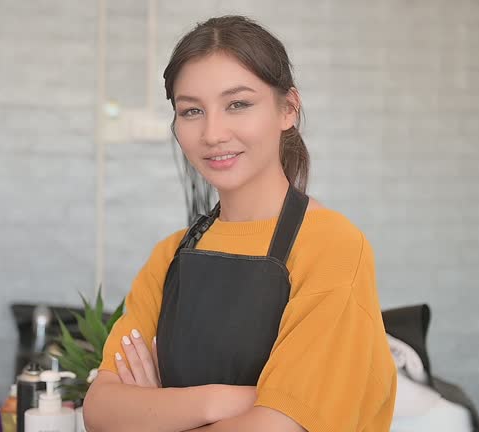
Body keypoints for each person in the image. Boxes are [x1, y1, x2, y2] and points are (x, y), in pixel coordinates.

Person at [83, 15, 396, 432]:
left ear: (288, 109)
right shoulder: (172, 256)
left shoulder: (332, 246)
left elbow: (280, 427)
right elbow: (101, 410)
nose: (213, 133)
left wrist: (157, 410)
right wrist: (226, 401)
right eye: (191, 110)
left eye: (238, 104)